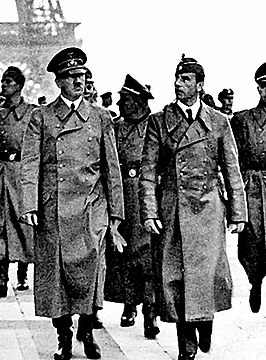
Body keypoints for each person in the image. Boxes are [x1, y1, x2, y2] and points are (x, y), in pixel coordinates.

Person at [139, 55, 247, 360]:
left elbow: (231, 169)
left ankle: (205, 321)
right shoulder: (159, 121)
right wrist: (149, 211)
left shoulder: (218, 122)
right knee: (176, 279)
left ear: (200, 85)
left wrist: (238, 213)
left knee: (206, 275)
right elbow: (148, 172)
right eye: (177, 78)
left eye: (186, 79)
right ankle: (186, 346)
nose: (178, 84)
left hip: (209, 209)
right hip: (173, 209)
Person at [20, 47, 125, 360]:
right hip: (54, 210)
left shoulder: (101, 117)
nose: (79, 81)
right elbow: (30, 164)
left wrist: (116, 215)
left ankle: (88, 331)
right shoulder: (42, 117)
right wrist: (29, 205)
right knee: (56, 279)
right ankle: (63, 336)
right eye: (71, 77)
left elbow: (112, 167)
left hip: (91, 209)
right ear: (59, 81)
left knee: (91, 275)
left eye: (82, 76)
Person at [104, 74, 160, 339]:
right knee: (123, 255)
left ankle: (150, 309)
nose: (120, 104)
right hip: (121, 194)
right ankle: (129, 304)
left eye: (125, 100)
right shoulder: (115, 127)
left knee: (147, 255)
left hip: (147, 194)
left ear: (139, 101)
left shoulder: (155, 126)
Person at [230, 62, 266, 321]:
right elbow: (232, 158)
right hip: (252, 185)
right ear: (257, 87)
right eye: (264, 85)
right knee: (252, 240)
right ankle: (255, 281)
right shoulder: (243, 120)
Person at [0, 66, 35, 297]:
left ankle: (22, 271)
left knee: (23, 221)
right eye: (3, 81)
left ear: (19, 86)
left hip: (23, 172)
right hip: (0, 171)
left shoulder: (33, 113)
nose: (3, 85)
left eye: (8, 82)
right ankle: (1, 276)